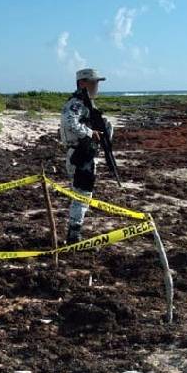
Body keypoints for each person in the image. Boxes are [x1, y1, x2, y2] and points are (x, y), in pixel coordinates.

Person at [59, 68, 114, 244]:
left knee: (84, 195)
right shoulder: (77, 103)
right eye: (93, 82)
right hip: (79, 154)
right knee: (82, 195)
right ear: (82, 83)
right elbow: (70, 122)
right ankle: (74, 235)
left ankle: (75, 232)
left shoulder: (87, 103)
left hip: (85, 154)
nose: (96, 86)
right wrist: (90, 133)